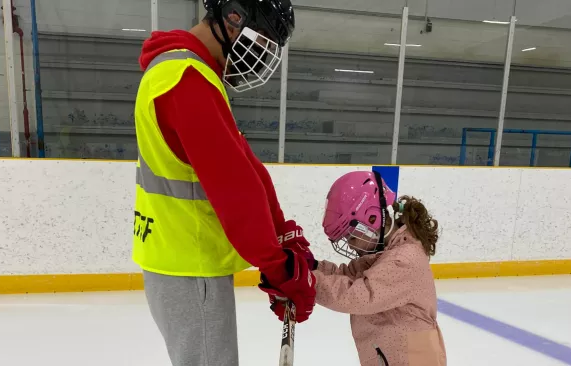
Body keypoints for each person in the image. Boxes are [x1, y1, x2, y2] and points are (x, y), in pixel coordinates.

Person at [131, 0, 316, 365]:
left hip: (188, 264)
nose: (261, 56)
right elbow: (234, 191)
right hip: (187, 264)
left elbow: (246, 167)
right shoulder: (185, 80)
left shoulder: (195, 73)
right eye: (261, 40)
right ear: (233, 17)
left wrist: (283, 235)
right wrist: (280, 269)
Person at [289, 171, 446, 365]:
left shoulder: (403, 260)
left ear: (372, 219)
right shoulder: (384, 253)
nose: (351, 245)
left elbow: (356, 295)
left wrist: (307, 280)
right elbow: (349, 274)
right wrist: (312, 267)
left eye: (352, 237)